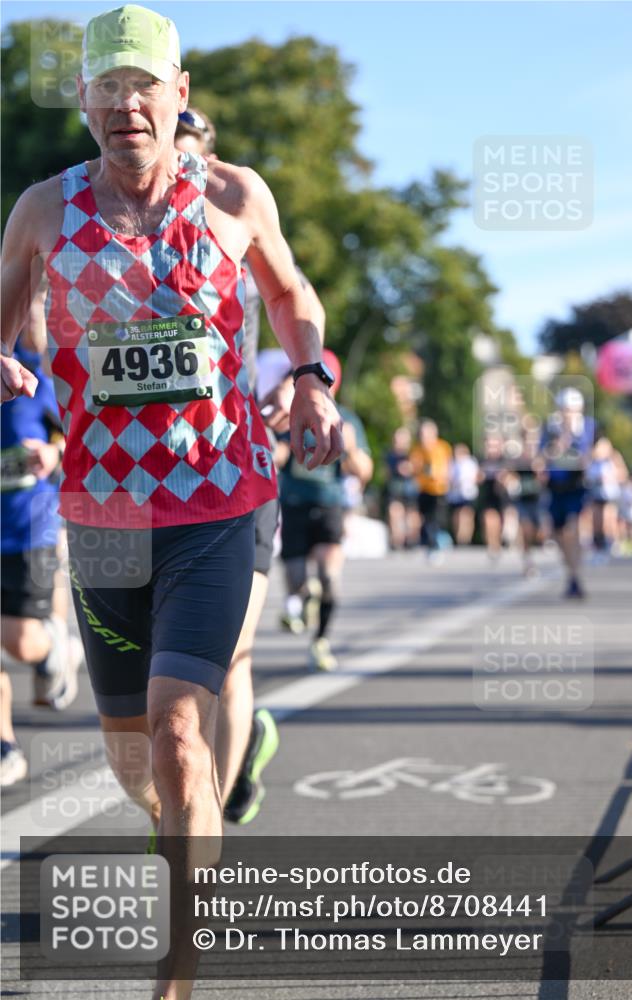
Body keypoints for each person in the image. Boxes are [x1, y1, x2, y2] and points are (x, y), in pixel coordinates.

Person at [0, 7, 342, 998]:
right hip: (103, 517)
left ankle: (178, 974)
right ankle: (186, 820)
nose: (127, 106)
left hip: (218, 502)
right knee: (135, 763)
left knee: (180, 734)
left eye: (144, 86)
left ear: (178, 94)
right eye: (107, 87)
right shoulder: (42, 211)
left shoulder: (234, 194)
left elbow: (291, 294)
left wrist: (310, 376)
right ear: (83, 101)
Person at [174, 106, 324, 825]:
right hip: (141, 480)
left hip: (236, 465)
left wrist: (301, 384)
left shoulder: (232, 217)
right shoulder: (108, 229)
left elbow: (298, 305)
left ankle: (193, 830)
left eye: (190, 153)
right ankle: (200, 791)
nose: (178, 166)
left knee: (226, 655)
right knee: (156, 679)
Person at [1, 336, 82, 786]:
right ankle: (5, 745)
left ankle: (55, 645)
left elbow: (78, 432)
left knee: (20, 642)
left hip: (27, 531)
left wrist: (55, 452)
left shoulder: (31, 372)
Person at [275, 349, 373, 670]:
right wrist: (277, 450)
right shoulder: (291, 412)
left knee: (330, 576)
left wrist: (352, 450)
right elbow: (275, 455)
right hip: (294, 504)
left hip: (329, 504)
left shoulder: (347, 418)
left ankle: (321, 640)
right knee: (296, 580)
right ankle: (306, 598)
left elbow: (365, 471)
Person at [540, 387, 594, 598]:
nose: (568, 414)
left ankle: (575, 575)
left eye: (572, 410)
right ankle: (572, 574)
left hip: (576, 487)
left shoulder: (587, 427)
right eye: (565, 410)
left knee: (572, 528)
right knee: (559, 535)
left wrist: (580, 454)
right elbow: (541, 455)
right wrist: (554, 449)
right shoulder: (550, 429)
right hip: (555, 487)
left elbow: (596, 451)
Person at [410, 419, 452, 561]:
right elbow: (414, 467)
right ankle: (428, 543)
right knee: (425, 518)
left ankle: (435, 545)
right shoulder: (417, 450)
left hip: (438, 489)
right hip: (423, 488)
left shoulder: (442, 447)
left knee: (436, 518)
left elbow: (446, 467)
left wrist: (441, 476)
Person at [383, 427, 420, 550]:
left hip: (409, 488)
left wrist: (409, 468)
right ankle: (397, 540)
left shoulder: (413, 453)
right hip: (395, 488)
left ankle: (411, 540)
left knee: (411, 514)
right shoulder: (389, 455)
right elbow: (386, 473)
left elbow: (417, 469)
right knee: (394, 512)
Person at [477, 434, 510, 561]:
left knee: (502, 523)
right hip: (488, 495)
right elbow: (477, 478)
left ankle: (498, 543)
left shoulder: (505, 461)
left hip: (502, 497)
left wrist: (503, 479)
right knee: (489, 520)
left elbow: (510, 479)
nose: (492, 449)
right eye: (489, 446)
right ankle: (492, 546)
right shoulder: (482, 461)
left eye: (494, 445)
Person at [447, 443, 479, 546]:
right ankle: (458, 537)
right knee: (457, 515)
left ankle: (466, 538)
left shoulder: (470, 463)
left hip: (468, 493)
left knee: (466, 514)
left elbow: (475, 477)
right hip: (455, 494)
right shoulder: (452, 464)